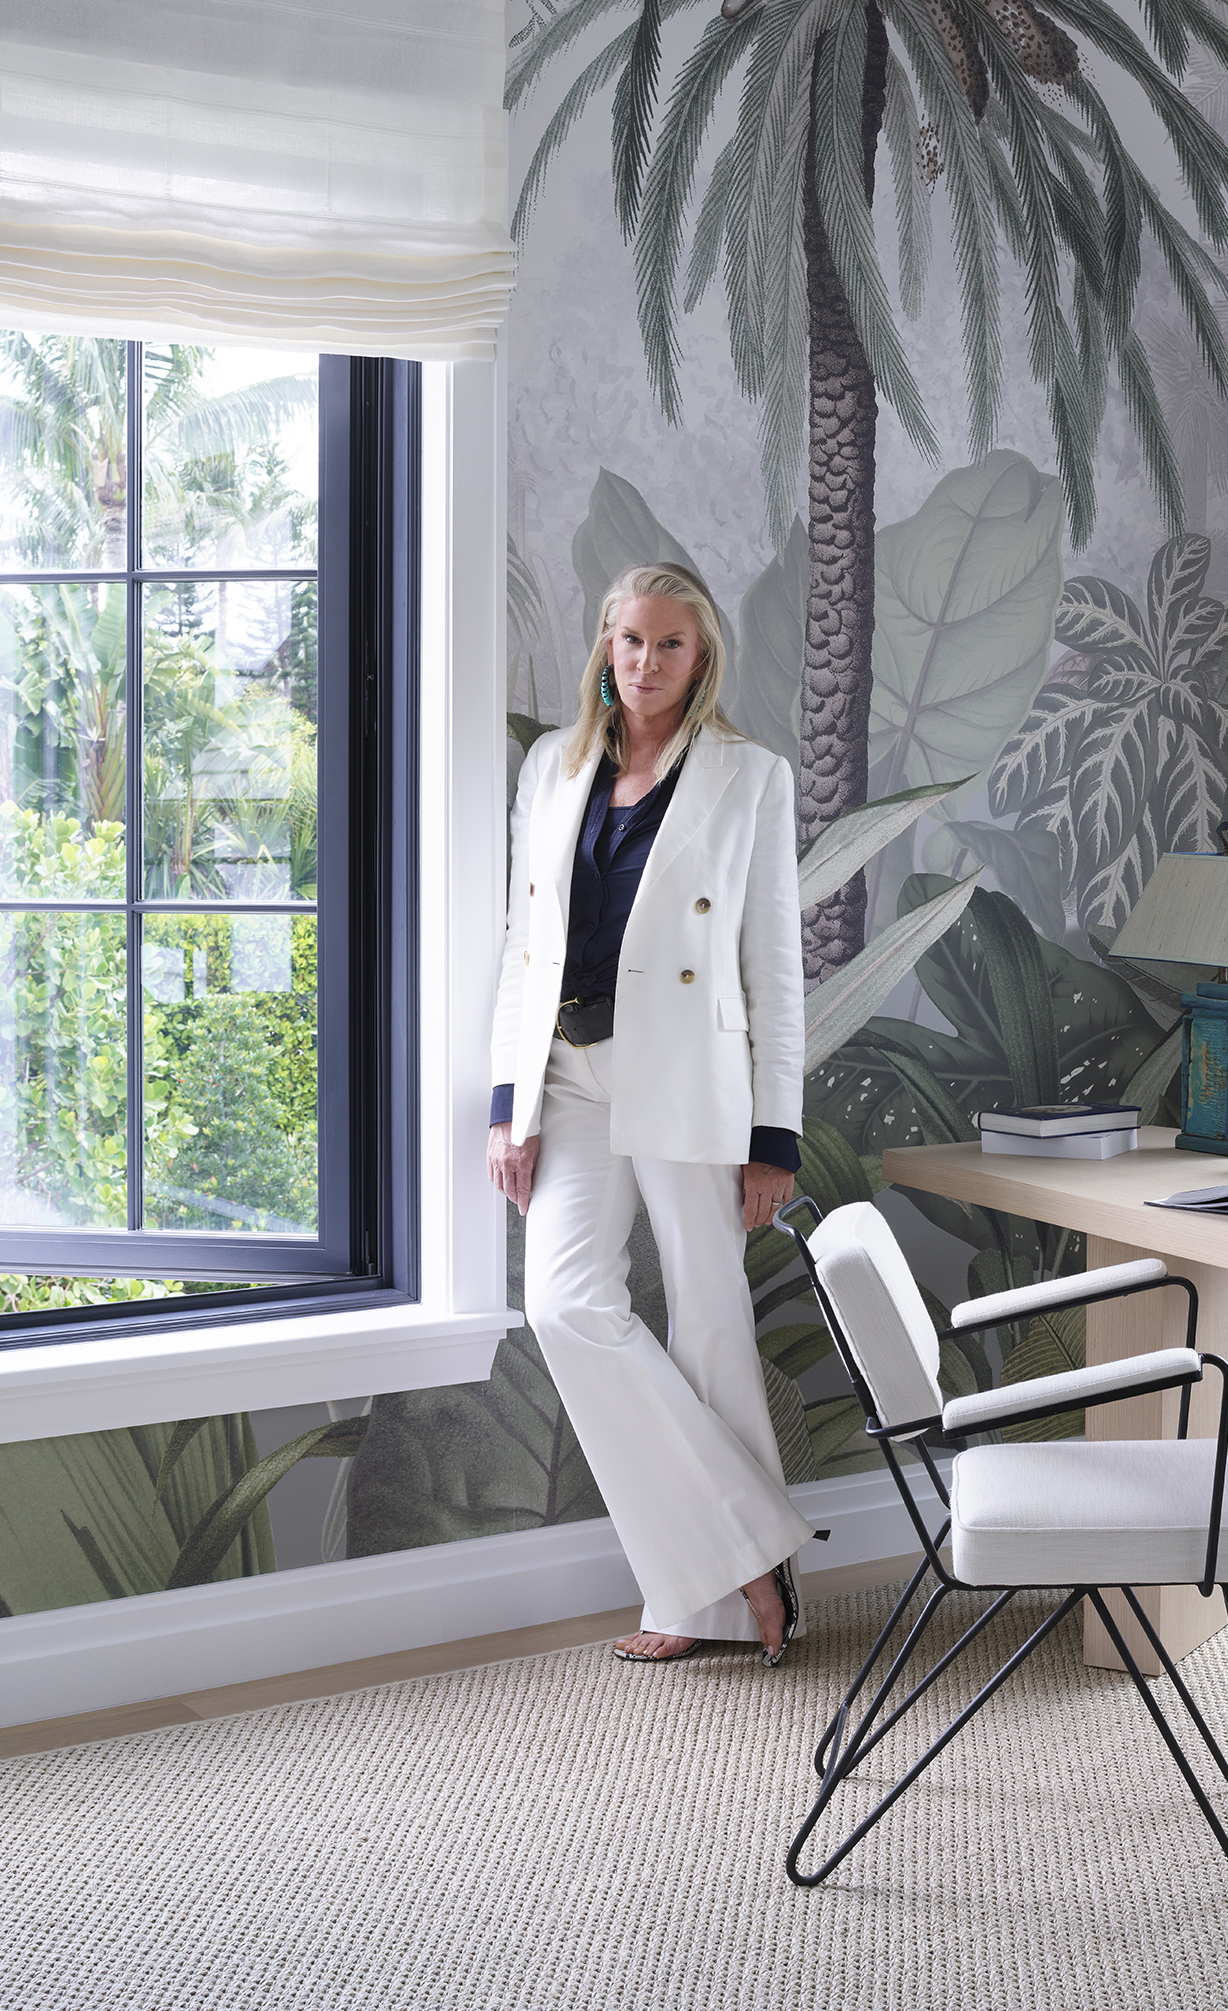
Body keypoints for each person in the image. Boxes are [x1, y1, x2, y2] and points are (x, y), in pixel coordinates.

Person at [487, 561, 813, 1666]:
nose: (643, 663)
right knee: (566, 1305)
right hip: (569, 1072)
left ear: (700, 654)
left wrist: (775, 1138)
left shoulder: (746, 775)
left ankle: (703, 1601)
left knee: (711, 1323)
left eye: (667, 645)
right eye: (627, 641)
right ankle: (748, 1549)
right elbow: (521, 944)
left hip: (686, 1074)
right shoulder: (552, 763)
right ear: (604, 646)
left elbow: (774, 965)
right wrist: (508, 1103)